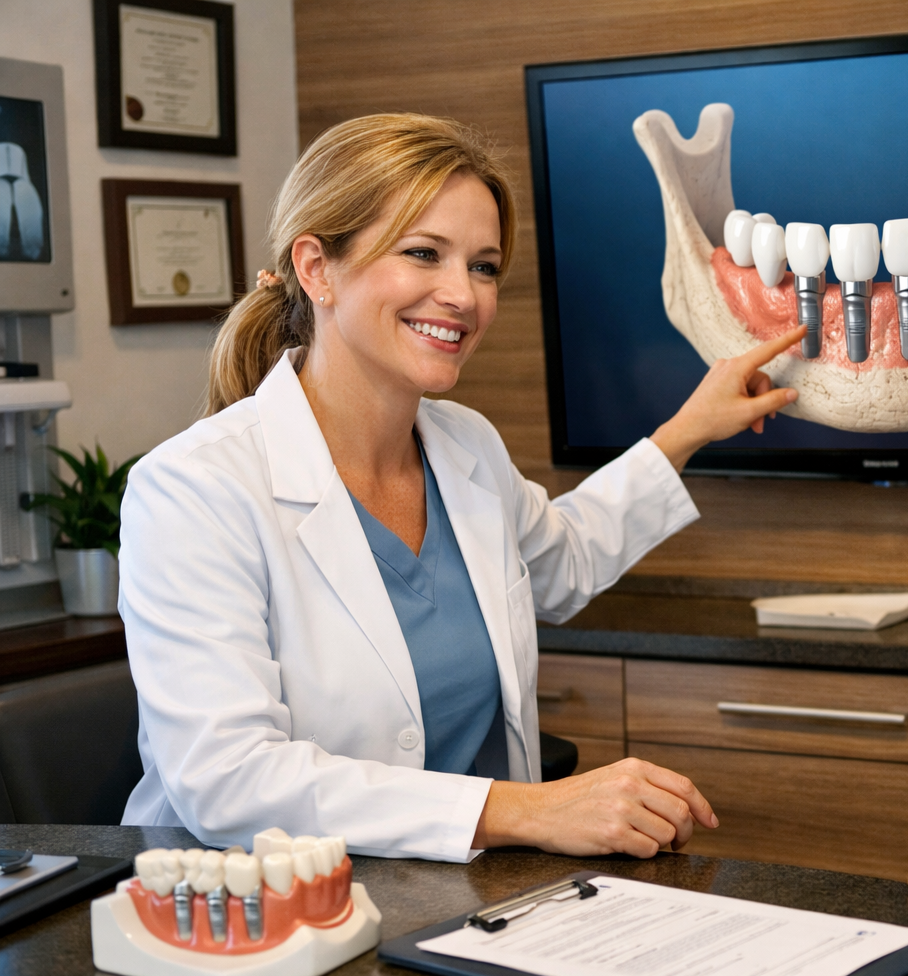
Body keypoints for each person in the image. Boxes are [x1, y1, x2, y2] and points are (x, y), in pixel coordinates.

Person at [119, 113, 804, 863]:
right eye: (424, 254)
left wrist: (691, 427)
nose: (463, 296)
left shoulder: (463, 442)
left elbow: (560, 563)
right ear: (317, 269)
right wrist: (528, 809)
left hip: (455, 906)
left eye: (482, 267)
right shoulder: (192, 490)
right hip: (259, 925)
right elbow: (229, 782)